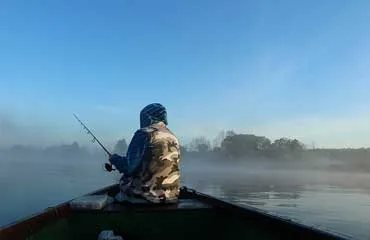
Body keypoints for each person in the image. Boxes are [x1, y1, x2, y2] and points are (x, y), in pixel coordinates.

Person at [109, 103, 181, 204]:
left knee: (112, 198)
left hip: (145, 198)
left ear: (148, 117)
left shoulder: (143, 134)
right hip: (171, 197)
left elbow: (129, 167)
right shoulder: (173, 137)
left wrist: (114, 159)